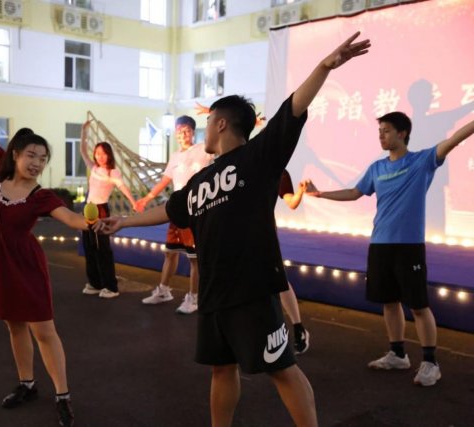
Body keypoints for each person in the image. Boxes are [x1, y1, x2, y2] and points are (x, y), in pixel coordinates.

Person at [101, 32, 370, 427]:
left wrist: (324, 66)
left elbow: (292, 109)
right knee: (221, 370)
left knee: (281, 369)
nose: (204, 130)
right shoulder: (201, 180)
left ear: (222, 123)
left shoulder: (258, 156)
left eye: (208, 122)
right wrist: (124, 220)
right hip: (214, 293)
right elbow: (170, 210)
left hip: (253, 290)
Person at [304, 110, 474, 387]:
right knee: (390, 302)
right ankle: (398, 354)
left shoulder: (422, 161)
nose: (381, 136)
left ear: (402, 133)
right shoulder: (377, 168)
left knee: (418, 305)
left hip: (409, 247)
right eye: (379, 131)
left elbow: (454, 139)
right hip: (380, 244)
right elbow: (354, 193)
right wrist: (319, 193)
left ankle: (430, 363)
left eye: (386, 131)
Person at [0, 81, 97, 427]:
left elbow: (70, 217)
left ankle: (63, 396)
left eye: (43, 159)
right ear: (15, 154)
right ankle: (27, 384)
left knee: (43, 331)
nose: (37, 163)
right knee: (14, 325)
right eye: (32, 156)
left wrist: (92, 223)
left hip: (25, 265)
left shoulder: (41, 196)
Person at [134, 116, 212, 315]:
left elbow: (222, 145)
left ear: (193, 132)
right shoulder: (175, 156)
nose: (182, 135)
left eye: (186, 130)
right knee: (170, 252)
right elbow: (165, 180)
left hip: (195, 208)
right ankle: (163, 291)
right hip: (177, 208)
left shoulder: (202, 149)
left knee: (194, 257)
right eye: (179, 131)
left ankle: (194, 297)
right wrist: (146, 199)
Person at [79, 121, 139, 299]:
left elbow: (123, 187)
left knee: (102, 248)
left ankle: (111, 286)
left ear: (109, 155)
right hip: (88, 209)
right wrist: (83, 132)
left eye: (103, 153)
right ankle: (95, 283)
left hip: (101, 210)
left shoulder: (113, 173)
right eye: (97, 153)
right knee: (89, 247)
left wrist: (134, 202)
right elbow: (82, 151)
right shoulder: (94, 168)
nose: (100, 156)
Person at [278, 170, 310, 354]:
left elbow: (291, 202)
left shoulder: (278, 171)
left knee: (279, 281)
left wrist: (299, 192)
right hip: (237, 234)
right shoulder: (237, 166)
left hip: (263, 233)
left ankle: (298, 328)